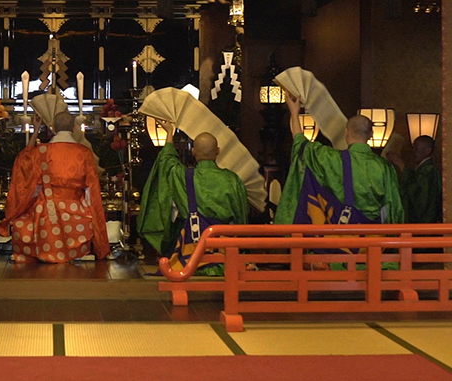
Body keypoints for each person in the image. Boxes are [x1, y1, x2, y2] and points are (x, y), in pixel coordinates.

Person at [275, 92, 403, 226]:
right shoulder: (384, 167)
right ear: (371, 134)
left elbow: (301, 145)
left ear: (346, 132)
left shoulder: (331, 159)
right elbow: (394, 209)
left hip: (338, 234)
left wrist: (294, 113)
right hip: (374, 236)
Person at [0, 111, 109, 263]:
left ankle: (45, 253)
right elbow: (91, 189)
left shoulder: (41, 151)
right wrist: (91, 212)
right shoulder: (84, 152)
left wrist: (35, 130)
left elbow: (24, 162)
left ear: (53, 128)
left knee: (24, 223)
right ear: (73, 127)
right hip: (77, 214)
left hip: (45, 212)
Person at [139, 122, 248, 275]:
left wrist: (169, 134)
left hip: (193, 257)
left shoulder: (184, 177)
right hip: (226, 256)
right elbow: (241, 217)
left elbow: (167, 163)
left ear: (193, 151)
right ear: (218, 151)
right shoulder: (233, 180)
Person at [389, 136, 442, 224]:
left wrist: (401, 166)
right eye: (413, 148)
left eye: (416, 148)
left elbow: (417, 193)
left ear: (427, 150)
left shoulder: (429, 171)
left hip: (424, 222)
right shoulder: (421, 169)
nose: (413, 151)